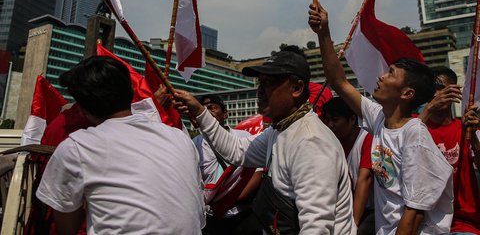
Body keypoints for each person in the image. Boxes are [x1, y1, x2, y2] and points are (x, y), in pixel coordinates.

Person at [175, 45, 354, 234]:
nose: (260, 91)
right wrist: (200, 112)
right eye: (260, 83)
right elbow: (237, 151)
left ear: (297, 88)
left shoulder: (310, 142)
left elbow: (316, 227)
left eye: (269, 83)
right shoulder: (281, 130)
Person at [308, 3, 453, 235]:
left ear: (407, 94)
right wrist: (323, 32)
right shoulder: (378, 118)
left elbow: (414, 212)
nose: (381, 76)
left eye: (391, 73)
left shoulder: (414, 135)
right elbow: (339, 82)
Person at [36, 56, 205, 234]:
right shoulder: (180, 138)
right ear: (131, 93)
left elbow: (66, 229)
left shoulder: (77, 147)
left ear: (82, 108)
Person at [418, 67, 480, 234]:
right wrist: (427, 110)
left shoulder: (466, 129)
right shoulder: (417, 129)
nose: (435, 93)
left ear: (454, 90)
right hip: (426, 225)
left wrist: (474, 139)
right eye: (431, 88)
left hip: (464, 224)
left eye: (440, 87)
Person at [193, 94, 262, 235]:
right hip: (212, 217)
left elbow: (257, 172)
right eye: (204, 109)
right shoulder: (195, 144)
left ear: (225, 114)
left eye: (212, 108)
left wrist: (232, 198)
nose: (208, 112)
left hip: (243, 214)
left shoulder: (243, 136)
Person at [323, 97, 375, 235]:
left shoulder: (367, 138)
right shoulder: (332, 143)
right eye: (327, 120)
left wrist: (354, 223)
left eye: (335, 120)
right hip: (344, 209)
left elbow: (365, 179)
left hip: (370, 210)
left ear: (352, 119)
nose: (330, 125)